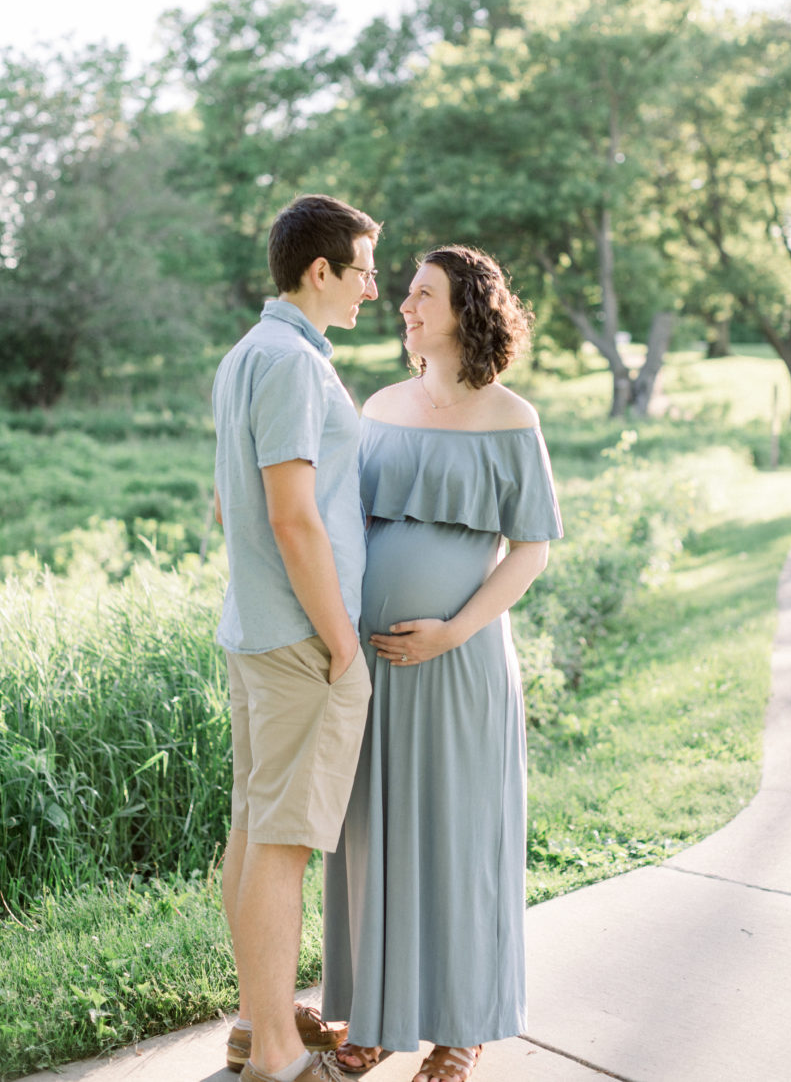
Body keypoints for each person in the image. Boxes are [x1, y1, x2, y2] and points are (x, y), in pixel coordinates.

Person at [322, 245, 563, 1082]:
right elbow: (342, 522)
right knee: (370, 834)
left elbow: (529, 550)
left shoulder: (511, 419)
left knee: (457, 837)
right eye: (406, 294)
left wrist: (451, 632)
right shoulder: (381, 404)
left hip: (458, 665)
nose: (403, 305)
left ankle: (461, 1030)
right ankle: (377, 1017)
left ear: (466, 309)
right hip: (373, 666)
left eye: (422, 294)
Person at [212, 194, 381, 1082]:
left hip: (256, 631)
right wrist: (340, 640)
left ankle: (256, 1023)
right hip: (297, 646)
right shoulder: (292, 367)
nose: (372, 289)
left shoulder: (248, 353)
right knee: (281, 844)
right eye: (362, 271)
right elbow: (293, 518)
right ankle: (276, 1056)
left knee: (253, 831)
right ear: (320, 271)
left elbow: (224, 504)